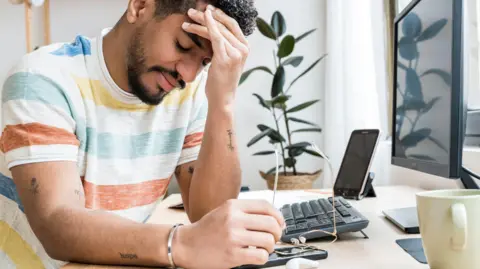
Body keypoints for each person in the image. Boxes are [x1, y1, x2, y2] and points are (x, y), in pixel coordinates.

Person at [0, 0, 285, 268]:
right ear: (140, 6)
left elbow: (211, 218)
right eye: (183, 45)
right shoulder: (42, 79)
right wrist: (180, 243)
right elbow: (57, 224)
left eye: (205, 62)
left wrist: (223, 102)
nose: (188, 74)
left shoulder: (188, 93)